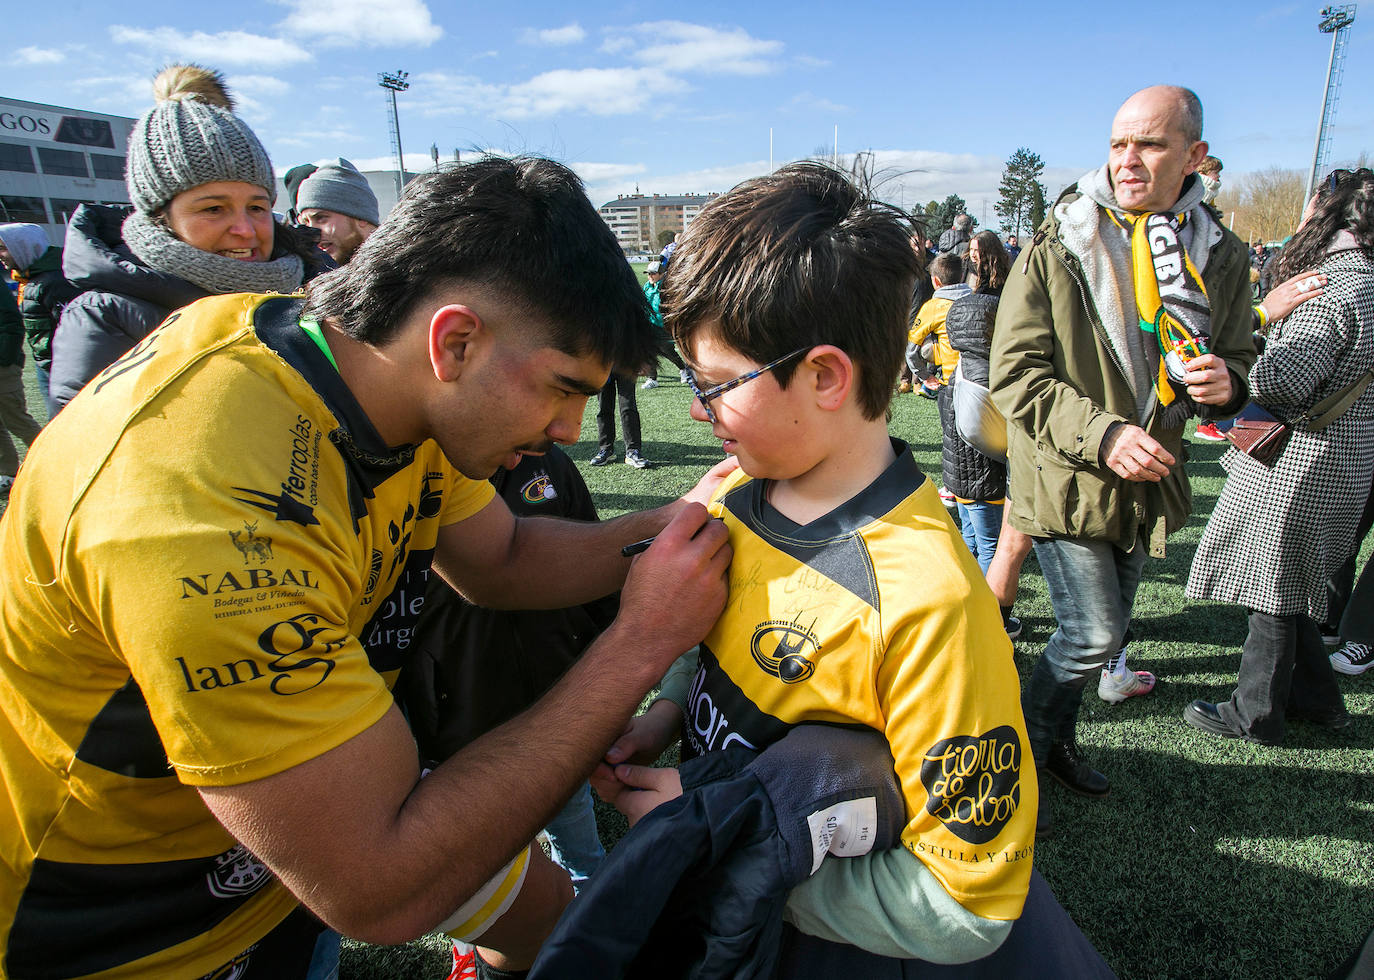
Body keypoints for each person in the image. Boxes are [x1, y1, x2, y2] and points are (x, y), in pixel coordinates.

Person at [0, 154, 733, 979]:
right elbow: (377, 889)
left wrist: (682, 525)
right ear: (453, 340)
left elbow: (505, 555)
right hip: (113, 931)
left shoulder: (362, 370)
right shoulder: (198, 509)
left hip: (274, 869)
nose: (569, 430)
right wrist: (639, 644)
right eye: (562, 389)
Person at [592, 162, 1037, 966]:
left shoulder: (925, 600)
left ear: (827, 374)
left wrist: (728, 857)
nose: (698, 409)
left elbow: (965, 904)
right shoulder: (735, 494)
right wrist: (667, 716)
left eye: (720, 382)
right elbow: (719, 656)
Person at [991, 86, 1254, 829]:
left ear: (1194, 156)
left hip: (1149, 481)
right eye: (1117, 144)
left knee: (1107, 631)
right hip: (1068, 474)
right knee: (1094, 637)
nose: (1127, 160)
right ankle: (1024, 753)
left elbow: (1237, 357)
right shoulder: (1063, 239)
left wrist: (1227, 383)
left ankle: (1055, 742)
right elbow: (1016, 373)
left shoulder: (1221, 252)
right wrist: (1104, 434)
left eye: (1149, 144)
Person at [1183, 167, 1374, 744]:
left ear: (1332, 219)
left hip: (1304, 460)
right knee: (1289, 587)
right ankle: (1319, 702)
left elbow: (1284, 383)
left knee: (1272, 588)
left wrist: (1257, 336)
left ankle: (1254, 714)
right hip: (1345, 455)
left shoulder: (1333, 286)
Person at [49, 65, 324, 412]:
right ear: (160, 216)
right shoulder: (107, 316)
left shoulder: (312, 285)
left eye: (256, 207)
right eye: (213, 209)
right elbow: (88, 452)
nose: (246, 230)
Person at [943, 231, 1010, 575]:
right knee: (989, 546)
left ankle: (969, 607)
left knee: (970, 542)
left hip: (960, 475)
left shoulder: (957, 376)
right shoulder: (998, 376)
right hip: (985, 476)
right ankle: (990, 615)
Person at [0, 222, 78, 416]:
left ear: (22, 246)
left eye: (2, 248)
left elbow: (75, 332)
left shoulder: (53, 281)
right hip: (46, 364)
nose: (0, 255)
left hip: (65, 369)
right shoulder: (26, 278)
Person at [909, 251, 970, 408]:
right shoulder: (977, 300)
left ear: (935, 281)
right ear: (962, 275)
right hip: (980, 379)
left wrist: (925, 376)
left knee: (951, 430)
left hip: (951, 380)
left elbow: (911, 349)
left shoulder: (933, 307)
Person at [295, 158, 380, 265]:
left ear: (361, 218)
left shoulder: (402, 272)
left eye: (321, 218)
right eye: (305, 222)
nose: (311, 232)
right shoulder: (315, 273)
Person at [0, 285, 39, 497]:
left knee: (16, 418)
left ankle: (52, 464)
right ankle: (7, 473)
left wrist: (5, 358)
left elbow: (11, 323)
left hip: (3, 366)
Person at [639, 260, 685, 389]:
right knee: (648, 351)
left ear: (661, 274)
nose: (650, 277)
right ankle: (652, 378)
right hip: (649, 324)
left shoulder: (666, 287)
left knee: (667, 350)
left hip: (663, 325)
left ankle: (683, 369)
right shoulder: (647, 286)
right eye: (649, 274)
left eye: (653, 274)